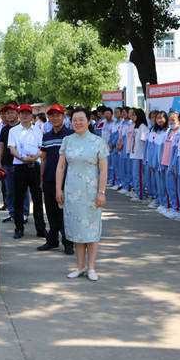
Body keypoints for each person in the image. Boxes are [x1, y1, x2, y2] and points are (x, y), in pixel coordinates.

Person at [56, 107, 108, 281]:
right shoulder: (67, 141)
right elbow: (61, 167)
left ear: (88, 121)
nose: (77, 122)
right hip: (72, 191)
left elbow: (103, 169)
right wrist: (58, 189)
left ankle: (91, 267)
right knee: (77, 230)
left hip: (91, 192)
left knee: (91, 230)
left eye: (81, 119)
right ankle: (79, 266)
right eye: (74, 119)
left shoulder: (98, 142)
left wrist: (101, 192)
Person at [8, 104, 47, 239]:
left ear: (32, 115)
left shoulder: (37, 130)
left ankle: (40, 228)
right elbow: (12, 148)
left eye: (27, 113)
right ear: (19, 115)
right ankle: (19, 228)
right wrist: (20, 157)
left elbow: (42, 148)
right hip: (20, 167)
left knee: (37, 199)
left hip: (35, 167)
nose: (25, 116)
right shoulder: (13, 131)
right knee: (19, 199)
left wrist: (37, 156)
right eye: (22, 113)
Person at [38, 104, 74, 254]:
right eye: (51, 115)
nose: (54, 118)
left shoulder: (70, 135)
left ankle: (68, 242)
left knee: (65, 212)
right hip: (48, 179)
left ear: (63, 116)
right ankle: (52, 240)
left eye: (57, 115)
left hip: (66, 180)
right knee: (51, 211)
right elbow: (44, 159)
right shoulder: (46, 136)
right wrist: (41, 179)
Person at [0, 104, 30, 224]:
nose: (9, 115)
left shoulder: (22, 127)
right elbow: (0, 146)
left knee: (23, 190)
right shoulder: (4, 129)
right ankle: (12, 212)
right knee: (10, 190)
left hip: (21, 163)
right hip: (7, 164)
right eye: (7, 113)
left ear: (17, 113)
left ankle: (25, 213)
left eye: (11, 112)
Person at [129, 109, 148, 201]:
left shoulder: (143, 127)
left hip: (139, 155)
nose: (132, 117)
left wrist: (145, 156)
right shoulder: (135, 127)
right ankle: (137, 193)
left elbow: (144, 142)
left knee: (139, 176)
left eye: (134, 115)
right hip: (134, 154)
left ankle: (141, 196)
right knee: (135, 176)